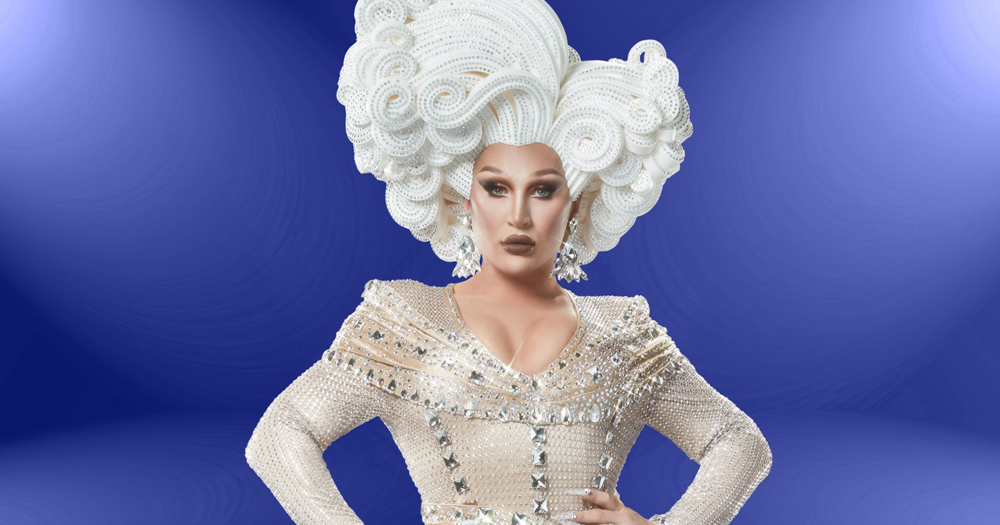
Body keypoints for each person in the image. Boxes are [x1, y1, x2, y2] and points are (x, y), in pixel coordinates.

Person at [245, 0, 772, 524]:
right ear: (462, 198)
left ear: (577, 205)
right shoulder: (404, 322)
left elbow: (739, 443)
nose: (518, 215)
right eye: (496, 187)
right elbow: (281, 431)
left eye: (543, 191)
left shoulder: (623, 335)